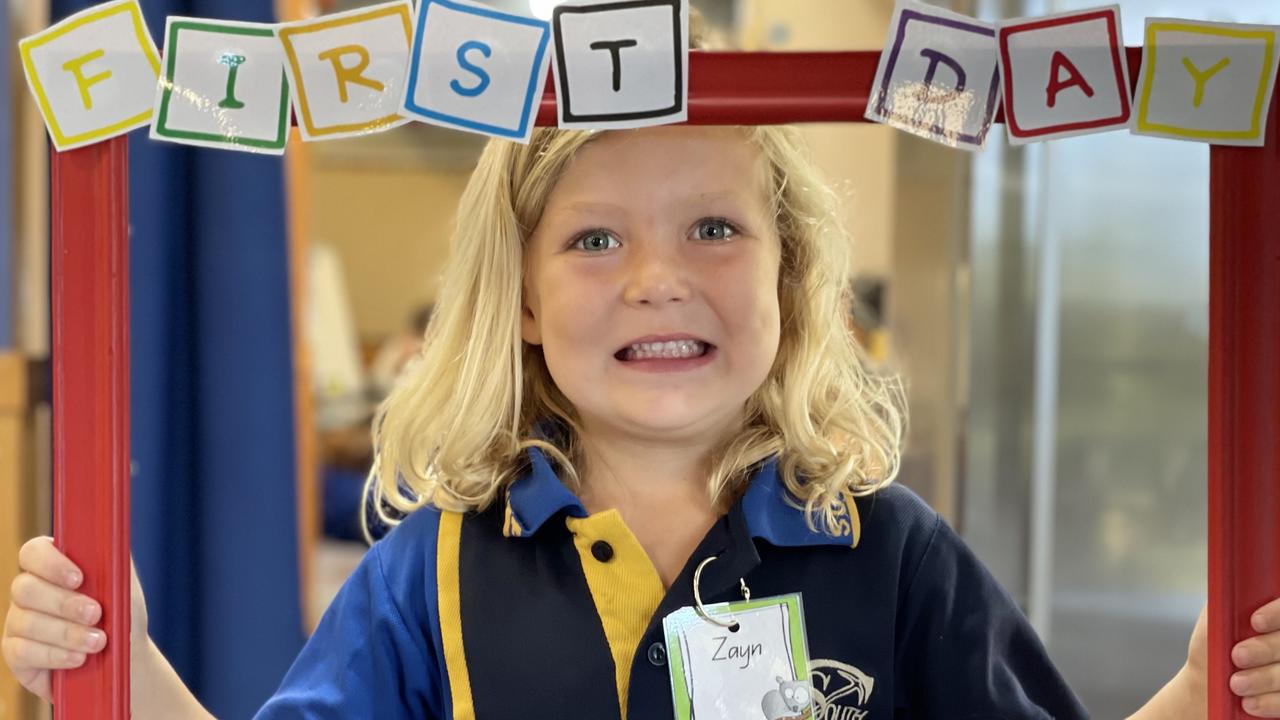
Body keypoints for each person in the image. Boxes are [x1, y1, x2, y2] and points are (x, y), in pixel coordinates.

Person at [5, 125, 1280, 718]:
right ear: (518, 297)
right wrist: (113, 669)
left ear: (787, 282)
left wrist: (1194, 690)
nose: (655, 278)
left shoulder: (892, 555)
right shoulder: (428, 577)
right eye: (595, 237)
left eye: (712, 229)